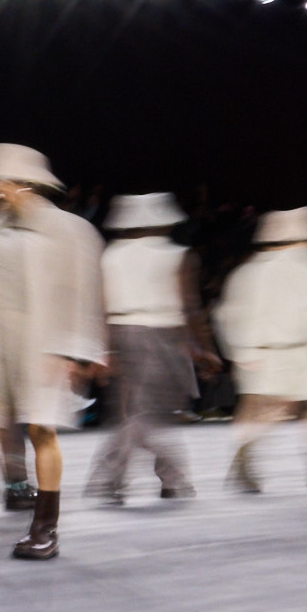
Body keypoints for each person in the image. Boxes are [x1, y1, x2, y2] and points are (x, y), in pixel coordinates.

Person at [0, 144, 103, 562]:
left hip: (43, 344)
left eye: (0, 179)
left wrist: (72, 353)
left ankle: (45, 526)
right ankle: (17, 486)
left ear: (23, 182)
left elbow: (81, 292)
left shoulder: (69, 230)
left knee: (41, 430)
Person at [86, 192, 218, 507]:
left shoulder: (110, 255)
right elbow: (190, 307)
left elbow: (100, 306)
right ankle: (125, 476)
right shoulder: (179, 255)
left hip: (121, 333)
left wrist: (102, 350)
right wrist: (205, 347)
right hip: (163, 335)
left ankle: (149, 477)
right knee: (149, 414)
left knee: (138, 412)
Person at [214, 206, 307, 492]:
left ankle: (244, 461)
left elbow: (229, 314)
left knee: (259, 411)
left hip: (264, 353)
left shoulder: (248, 271)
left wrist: (240, 352)